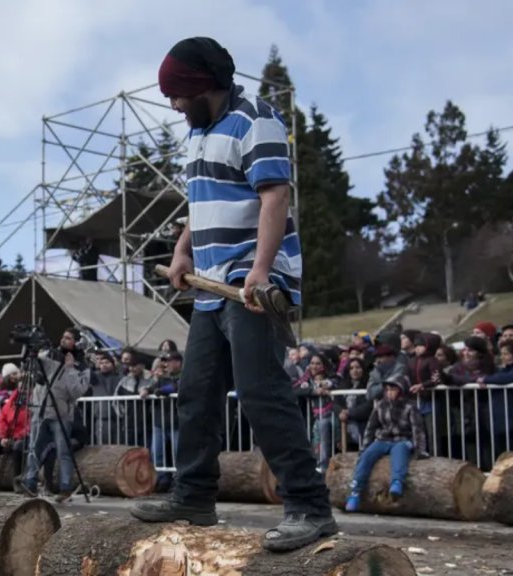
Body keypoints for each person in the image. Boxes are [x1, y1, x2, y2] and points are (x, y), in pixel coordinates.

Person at [129, 37, 337, 552]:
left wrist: (261, 272)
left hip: (251, 285)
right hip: (209, 290)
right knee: (195, 396)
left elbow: (275, 195)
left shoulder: (255, 120)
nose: (174, 105)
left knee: (262, 393)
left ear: (202, 86)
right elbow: (199, 202)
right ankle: (194, 495)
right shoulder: (198, 134)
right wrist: (183, 252)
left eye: (177, 94)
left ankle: (310, 507)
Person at [15, 328, 92, 502]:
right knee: (34, 449)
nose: (64, 340)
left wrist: (70, 368)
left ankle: (65, 488)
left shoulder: (82, 366)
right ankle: (30, 482)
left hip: (62, 414)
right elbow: (30, 366)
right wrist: (30, 350)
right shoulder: (49, 354)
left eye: (69, 338)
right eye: (63, 336)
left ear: (77, 342)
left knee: (63, 452)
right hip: (41, 410)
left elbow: (76, 392)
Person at [345, 376, 427, 511]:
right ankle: (355, 490)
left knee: (399, 454)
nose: (389, 392)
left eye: (393, 389)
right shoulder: (381, 405)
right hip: (383, 439)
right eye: (387, 390)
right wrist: (364, 447)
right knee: (367, 456)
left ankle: (397, 482)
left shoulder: (410, 407)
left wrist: (420, 450)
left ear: (401, 390)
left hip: (402, 439)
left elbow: (418, 429)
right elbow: (371, 428)